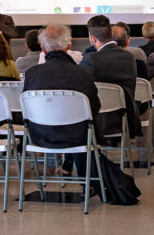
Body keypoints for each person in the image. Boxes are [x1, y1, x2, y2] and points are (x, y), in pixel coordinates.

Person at [23, 24, 140, 205]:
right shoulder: (82, 74)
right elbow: (93, 109)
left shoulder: (31, 74)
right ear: (68, 46)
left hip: (39, 138)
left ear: (43, 48)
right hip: (76, 140)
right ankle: (89, 180)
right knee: (84, 127)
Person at [79, 16, 141, 139]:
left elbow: (78, 83)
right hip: (127, 120)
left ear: (93, 39)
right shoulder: (129, 57)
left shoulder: (90, 59)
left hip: (98, 121)